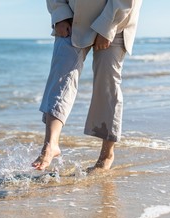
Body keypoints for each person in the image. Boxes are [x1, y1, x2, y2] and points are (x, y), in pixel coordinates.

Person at [32, 0, 142, 171]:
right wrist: (59, 14)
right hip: (72, 17)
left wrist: (107, 26)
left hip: (117, 18)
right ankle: (50, 144)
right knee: (61, 73)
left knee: (107, 83)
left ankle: (106, 155)